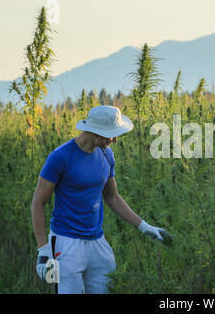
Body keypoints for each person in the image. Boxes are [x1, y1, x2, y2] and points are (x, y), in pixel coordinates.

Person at [31, 105, 172, 294]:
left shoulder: (107, 154)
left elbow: (112, 197)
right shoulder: (60, 157)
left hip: (98, 244)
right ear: (96, 132)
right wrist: (43, 249)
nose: (115, 139)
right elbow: (38, 202)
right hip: (66, 243)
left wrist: (146, 228)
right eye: (112, 134)